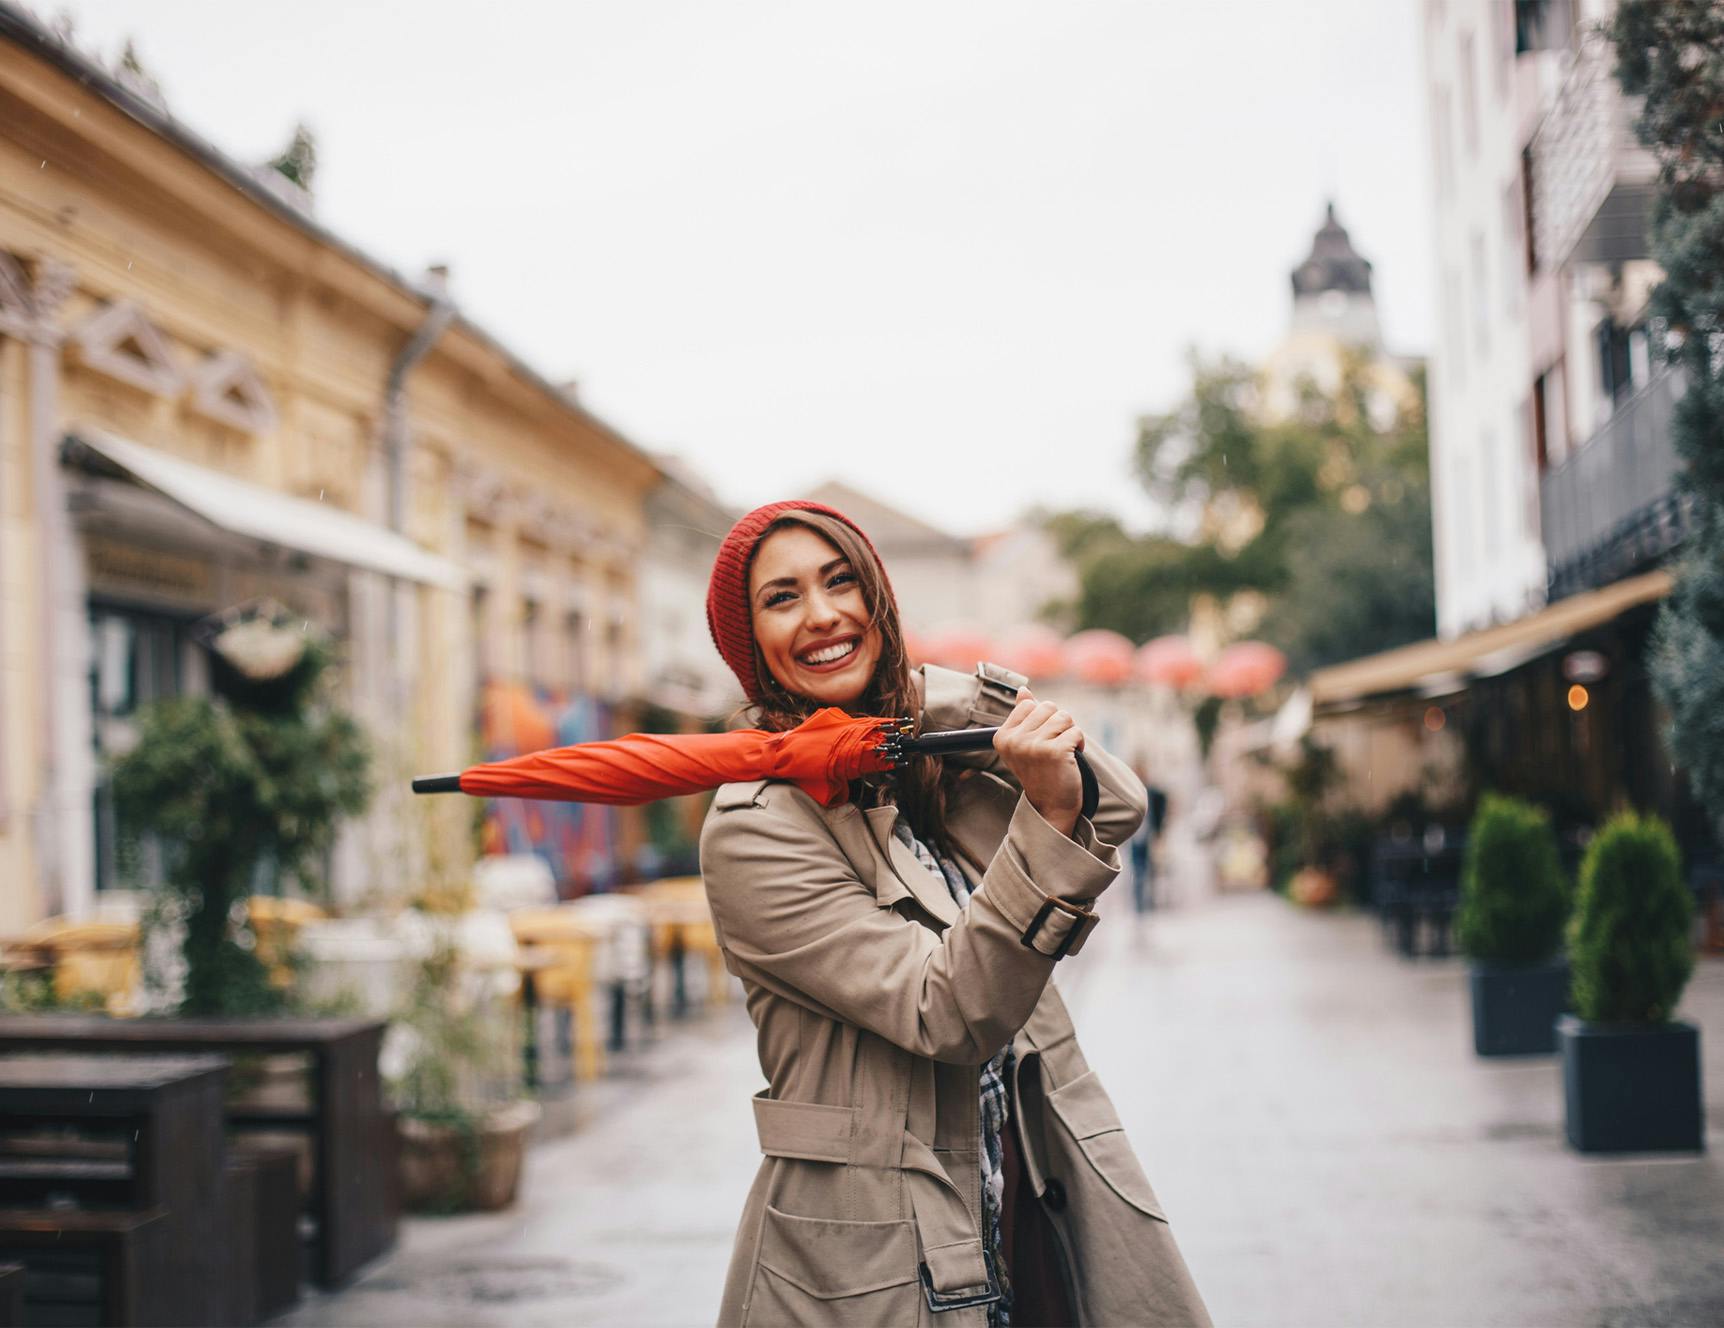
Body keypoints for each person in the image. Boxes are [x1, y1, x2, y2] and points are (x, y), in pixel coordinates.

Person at [699, 500, 1211, 1327]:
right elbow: (945, 1012)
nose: (824, 614)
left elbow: (1114, 804)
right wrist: (1041, 817)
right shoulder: (756, 827)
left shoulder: (931, 775)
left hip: (1029, 1196)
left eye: (841, 583)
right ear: (748, 642)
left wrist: (939, 700)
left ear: (880, 602)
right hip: (878, 1251)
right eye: (782, 598)